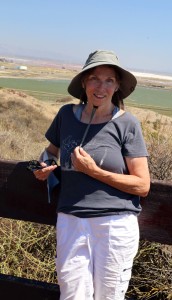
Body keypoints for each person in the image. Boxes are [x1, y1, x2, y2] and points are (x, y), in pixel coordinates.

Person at [34, 50, 150, 300]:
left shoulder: (128, 123)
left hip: (114, 225)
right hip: (71, 221)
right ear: (84, 82)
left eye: (109, 80)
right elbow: (49, 153)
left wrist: (94, 172)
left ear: (117, 86)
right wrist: (43, 167)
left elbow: (142, 185)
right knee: (72, 295)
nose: (101, 86)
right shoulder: (66, 115)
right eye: (95, 78)